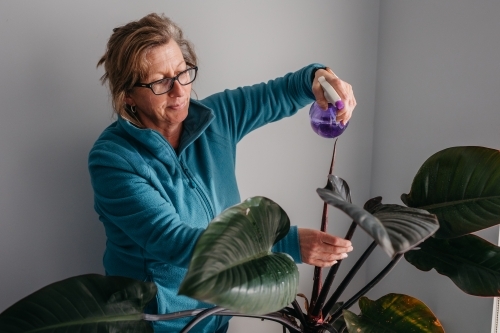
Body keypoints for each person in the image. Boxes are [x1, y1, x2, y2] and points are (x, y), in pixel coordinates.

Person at [89, 13, 356, 333]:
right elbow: (174, 243)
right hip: (158, 324)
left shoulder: (217, 118)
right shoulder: (113, 159)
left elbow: (282, 92)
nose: (178, 91)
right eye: (160, 81)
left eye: (182, 73)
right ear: (128, 94)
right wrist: (285, 244)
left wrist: (322, 79)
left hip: (216, 317)